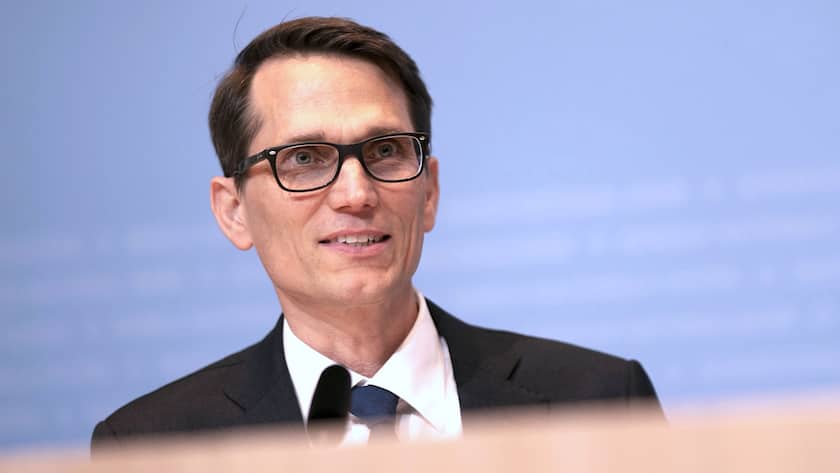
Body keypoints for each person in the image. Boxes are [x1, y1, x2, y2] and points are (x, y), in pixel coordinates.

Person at [91, 16, 661, 451]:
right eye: (305, 158)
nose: (356, 194)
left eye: (386, 151)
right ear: (233, 211)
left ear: (429, 192)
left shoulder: (602, 398)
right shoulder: (153, 444)